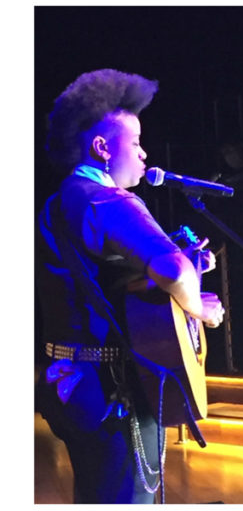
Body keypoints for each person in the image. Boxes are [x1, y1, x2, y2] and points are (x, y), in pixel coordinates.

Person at [36, 69, 225, 503]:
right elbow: (173, 270)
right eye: (135, 142)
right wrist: (200, 308)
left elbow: (104, 283)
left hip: (67, 378)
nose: (144, 154)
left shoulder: (63, 198)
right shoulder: (106, 199)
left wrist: (189, 271)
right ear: (102, 147)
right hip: (110, 387)